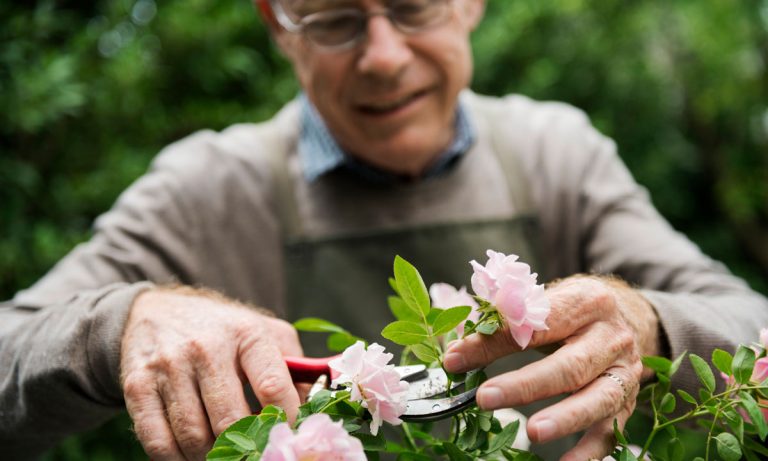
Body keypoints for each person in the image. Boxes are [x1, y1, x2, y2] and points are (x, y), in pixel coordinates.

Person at [1, 0, 766, 459]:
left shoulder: (558, 155)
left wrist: (651, 324)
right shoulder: (204, 190)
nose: (384, 57)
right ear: (280, 21)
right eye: (335, 19)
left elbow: (753, 325)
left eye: (412, 6)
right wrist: (116, 326)